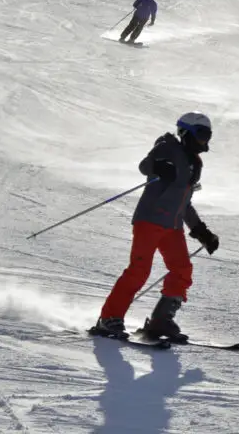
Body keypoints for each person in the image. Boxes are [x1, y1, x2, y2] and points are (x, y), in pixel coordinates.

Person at [91, 112, 221, 342]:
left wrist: (201, 231)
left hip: (172, 226)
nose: (204, 141)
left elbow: (185, 202)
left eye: (207, 136)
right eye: (201, 135)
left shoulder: (195, 162)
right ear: (186, 133)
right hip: (150, 220)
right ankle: (109, 318)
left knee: (182, 271)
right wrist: (159, 167)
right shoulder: (168, 147)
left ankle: (161, 320)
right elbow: (145, 165)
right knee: (139, 270)